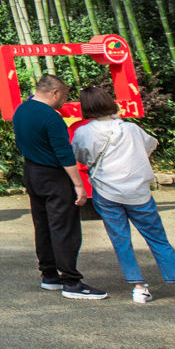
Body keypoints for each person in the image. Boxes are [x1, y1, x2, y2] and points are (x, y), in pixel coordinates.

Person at [71, 83, 175, 307]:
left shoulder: (83, 132)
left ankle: (139, 289)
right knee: (158, 240)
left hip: (106, 192)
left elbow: (80, 157)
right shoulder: (131, 129)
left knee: (121, 241)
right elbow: (151, 145)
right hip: (138, 192)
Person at [13, 74, 107, 300]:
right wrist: (78, 185)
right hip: (54, 174)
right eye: (64, 95)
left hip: (32, 171)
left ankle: (49, 274)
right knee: (64, 226)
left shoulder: (21, 111)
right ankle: (71, 281)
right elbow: (64, 154)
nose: (64, 101)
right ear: (54, 92)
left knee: (42, 223)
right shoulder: (51, 117)